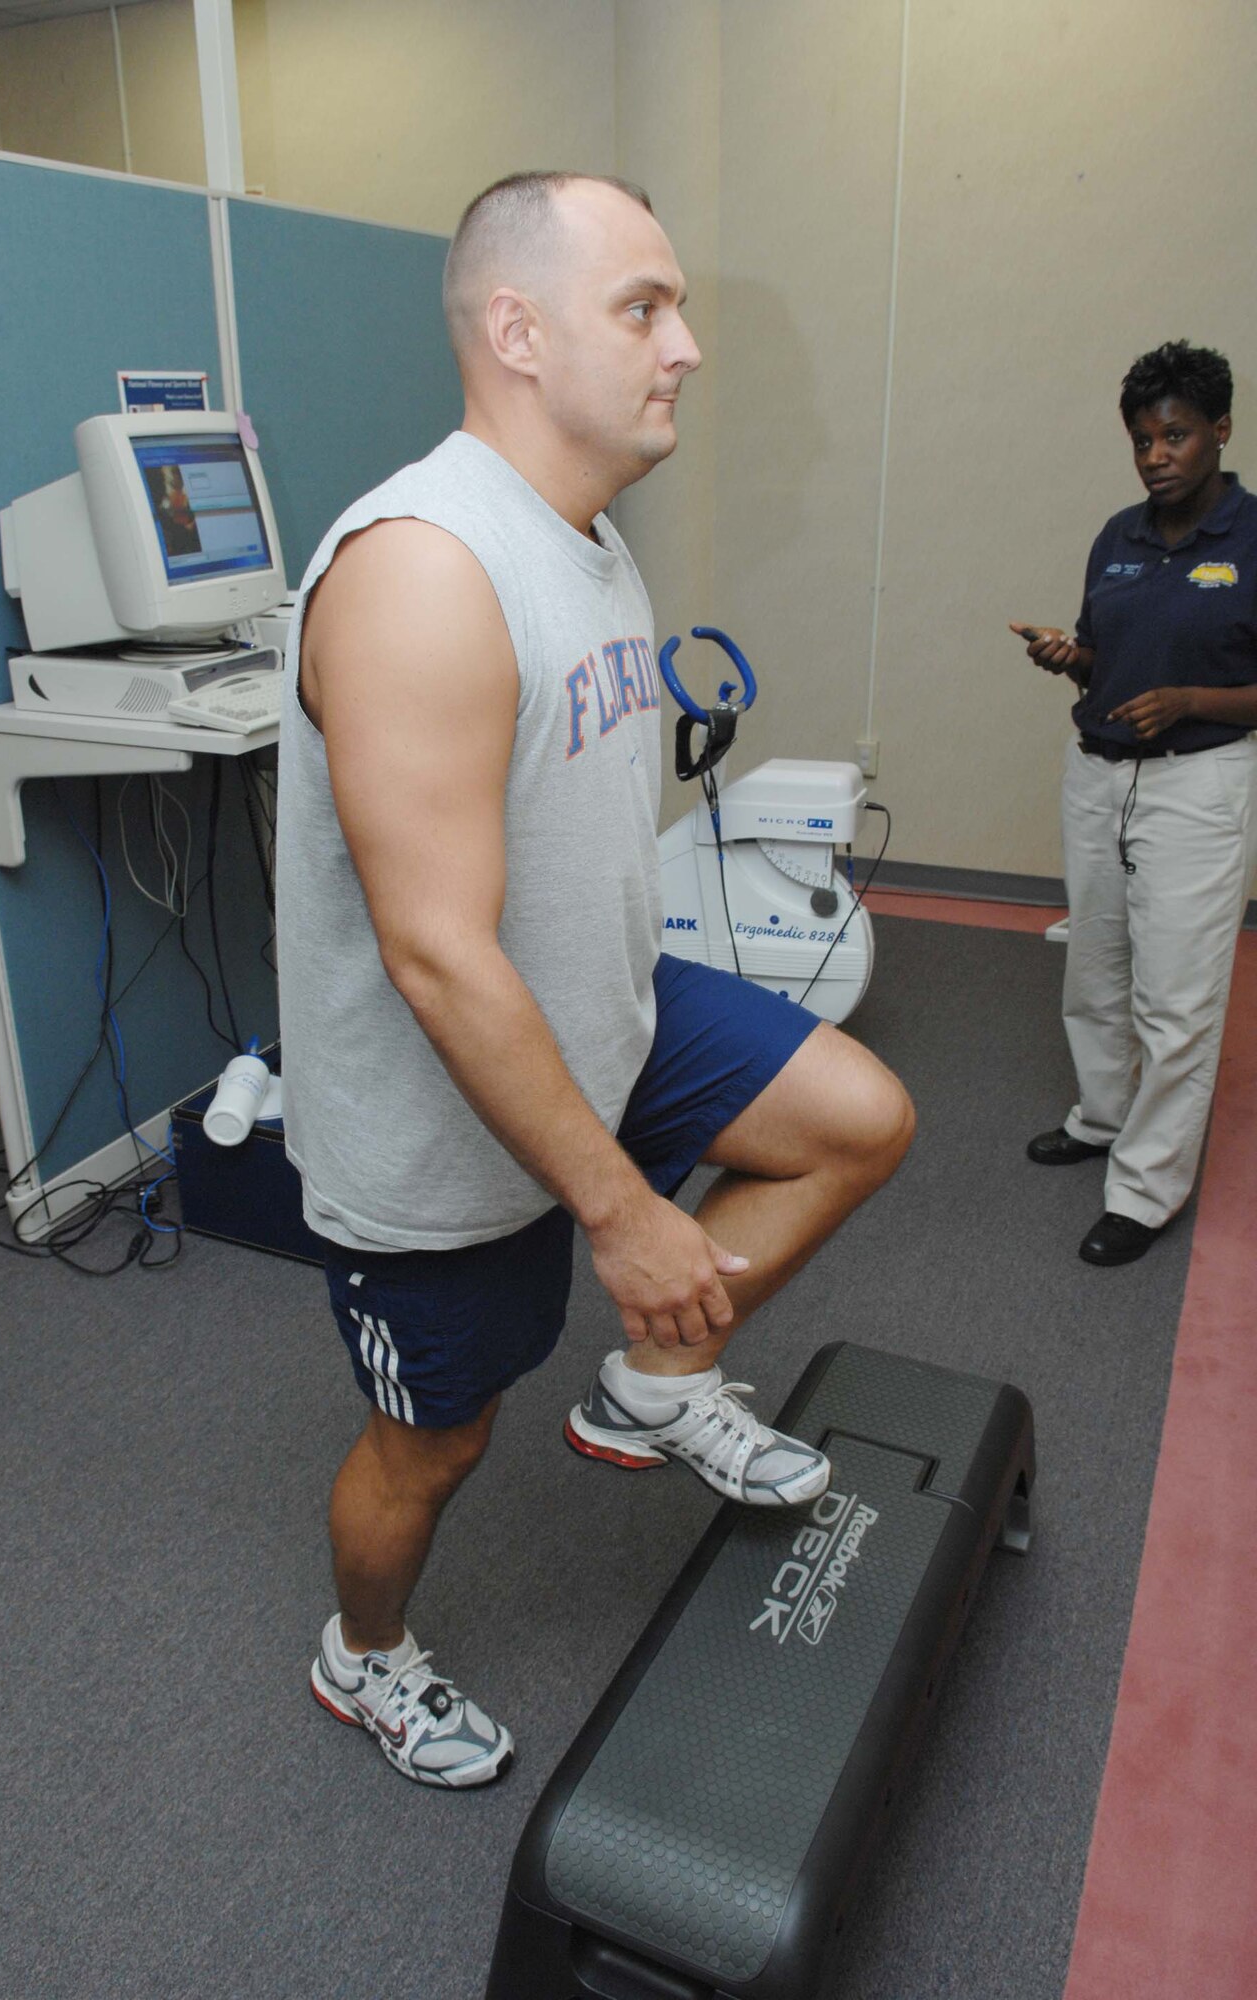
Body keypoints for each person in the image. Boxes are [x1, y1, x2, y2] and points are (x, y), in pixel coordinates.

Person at [275, 170, 914, 1789]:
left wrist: (641, 1221)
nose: (684, 345)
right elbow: (433, 949)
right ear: (515, 328)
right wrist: (626, 1212)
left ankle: (655, 1383)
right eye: (643, 307)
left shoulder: (586, 540)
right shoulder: (423, 567)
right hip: (435, 1127)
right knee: (436, 1448)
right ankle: (363, 1657)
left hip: (603, 1024)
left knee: (853, 1116)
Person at [1011, 339, 1257, 1267]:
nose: (1157, 454)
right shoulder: (1118, 536)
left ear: (1220, 432)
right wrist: (1069, 657)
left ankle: (1149, 1190)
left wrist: (1192, 699)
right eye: (1142, 439)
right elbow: (1105, 649)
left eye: (1176, 435)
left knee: (1178, 999)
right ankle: (1104, 1116)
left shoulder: (1252, 538)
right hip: (1099, 774)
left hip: (1197, 786)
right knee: (1096, 968)